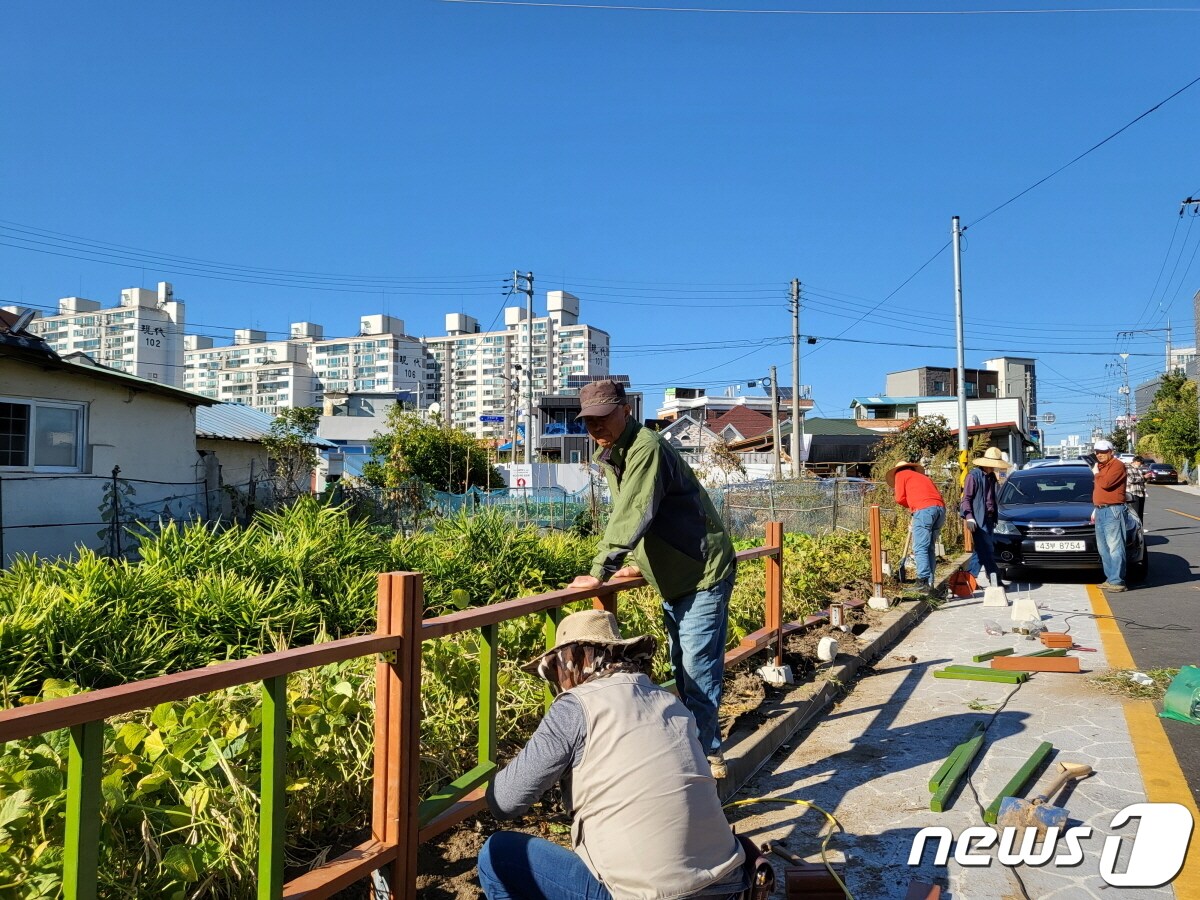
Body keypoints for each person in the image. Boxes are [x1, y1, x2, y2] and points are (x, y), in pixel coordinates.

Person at [479, 609, 747, 900]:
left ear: (574, 661)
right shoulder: (670, 702)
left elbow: (505, 802)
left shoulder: (575, 707)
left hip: (650, 895)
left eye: (557, 669)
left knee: (496, 855)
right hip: (729, 884)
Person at [567, 380, 736, 778]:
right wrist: (638, 565)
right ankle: (695, 749)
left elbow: (635, 510)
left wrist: (599, 571)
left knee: (696, 668)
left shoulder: (646, 447)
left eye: (603, 417)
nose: (596, 427)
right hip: (672, 574)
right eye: (589, 421)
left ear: (625, 410)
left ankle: (707, 758)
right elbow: (645, 515)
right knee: (681, 664)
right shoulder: (612, 453)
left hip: (701, 571)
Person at [886, 460, 945, 593]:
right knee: (929, 547)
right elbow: (931, 496)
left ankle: (922, 581)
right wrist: (916, 510)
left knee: (919, 547)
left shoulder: (901, 474)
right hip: (940, 510)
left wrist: (916, 510)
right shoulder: (923, 477)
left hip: (924, 510)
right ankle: (930, 582)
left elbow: (900, 498)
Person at [959, 447, 1012, 588]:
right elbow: (966, 499)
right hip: (977, 519)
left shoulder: (991, 477)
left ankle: (966, 580)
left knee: (981, 550)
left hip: (989, 519)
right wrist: (969, 517)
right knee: (987, 550)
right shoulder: (973, 476)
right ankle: (995, 580)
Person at [1091, 439, 1129, 592]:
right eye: (1097, 452)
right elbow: (1100, 489)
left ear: (1111, 452)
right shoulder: (1102, 467)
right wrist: (1095, 508)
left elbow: (1106, 483)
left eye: (1103, 452)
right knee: (1103, 548)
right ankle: (1111, 578)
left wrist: (1096, 474)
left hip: (1113, 510)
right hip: (1101, 510)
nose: (1099, 455)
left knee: (1115, 547)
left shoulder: (1117, 465)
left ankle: (1118, 581)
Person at [1126, 455, 1147, 531]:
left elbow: (1141, 480)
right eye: (1140, 463)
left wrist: (1146, 478)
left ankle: (1140, 528)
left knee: (1140, 513)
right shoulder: (1128, 468)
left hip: (1141, 493)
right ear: (1135, 461)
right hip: (1133, 493)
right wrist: (1144, 477)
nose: (1140, 465)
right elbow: (1131, 479)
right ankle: (1135, 529)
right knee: (1135, 513)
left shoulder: (1138, 470)